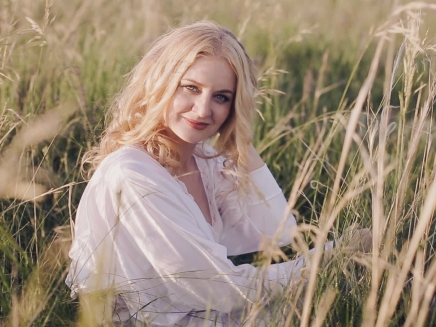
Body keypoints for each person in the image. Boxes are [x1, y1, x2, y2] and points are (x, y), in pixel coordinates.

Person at [66, 21, 368, 326]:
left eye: (221, 97)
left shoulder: (205, 160)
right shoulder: (132, 174)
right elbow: (219, 291)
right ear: (160, 84)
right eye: (191, 88)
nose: (202, 110)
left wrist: (241, 141)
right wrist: (331, 258)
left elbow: (278, 231)